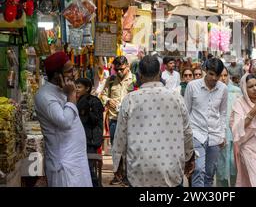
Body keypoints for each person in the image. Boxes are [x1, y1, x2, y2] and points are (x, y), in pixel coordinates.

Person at [111, 55, 195, 187]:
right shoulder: (176, 98)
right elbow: (187, 132)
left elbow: (120, 136)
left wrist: (117, 165)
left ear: (139, 75)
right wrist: (190, 157)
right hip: (171, 171)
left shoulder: (130, 99)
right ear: (160, 73)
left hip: (139, 172)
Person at [34, 51, 92, 187]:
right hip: (64, 164)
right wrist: (72, 96)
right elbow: (64, 122)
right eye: (69, 71)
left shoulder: (62, 89)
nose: (74, 74)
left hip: (75, 162)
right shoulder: (45, 96)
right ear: (56, 75)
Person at [184, 58, 228, 187]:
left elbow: (223, 113)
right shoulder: (192, 86)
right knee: (198, 170)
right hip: (196, 134)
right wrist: (186, 136)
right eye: (211, 74)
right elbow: (186, 111)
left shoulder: (223, 89)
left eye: (217, 75)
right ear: (205, 71)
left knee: (209, 173)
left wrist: (223, 134)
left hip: (215, 136)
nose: (214, 78)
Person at [99, 55, 135, 185]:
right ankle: (118, 175)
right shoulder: (111, 79)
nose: (119, 72)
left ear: (128, 66)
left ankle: (128, 176)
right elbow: (102, 95)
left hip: (131, 120)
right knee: (116, 148)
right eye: (117, 69)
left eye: (122, 69)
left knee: (130, 148)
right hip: (114, 118)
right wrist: (108, 101)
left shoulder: (135, 80)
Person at [216, 67, 242, 187]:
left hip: (235, 135)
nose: (223, 78)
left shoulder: (236, 91)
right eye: (220, 75)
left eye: (225, 75)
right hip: (218, 136)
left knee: (234, 165)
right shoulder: (212, 92)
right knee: (220, 168)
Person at [75, 78, 104, 187]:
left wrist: (87, 111)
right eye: (76, 87)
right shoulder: (76, 100)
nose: (77, 89)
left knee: (89, 169)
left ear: (87, 88)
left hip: (90, 140)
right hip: (79, 139)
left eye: (79, 87)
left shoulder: (94, 101)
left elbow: (96, 120)